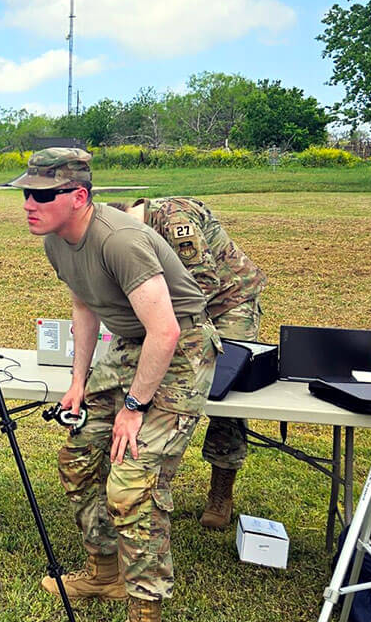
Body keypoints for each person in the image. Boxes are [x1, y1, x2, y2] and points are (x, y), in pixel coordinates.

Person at [15, 148, 218, 622]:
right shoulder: (57, 241)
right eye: (25, 194)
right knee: (78, 459)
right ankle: (104, 572)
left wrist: (133, 406)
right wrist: (79, 382)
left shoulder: (120, 240)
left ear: (78, 197)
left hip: (180, 349)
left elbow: (168, 331)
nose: (29, 205)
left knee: (132, 484)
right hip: (128, 344)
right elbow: (85, 304)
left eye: (42, 195)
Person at [112, 197, 266, 530]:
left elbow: (204, 284)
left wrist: (159, 318)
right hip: (184, 304)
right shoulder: (137, 231)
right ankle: (147, 481)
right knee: (165, 382)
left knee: (225, 395)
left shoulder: (174, 220)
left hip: (229, 304)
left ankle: (221, 492)